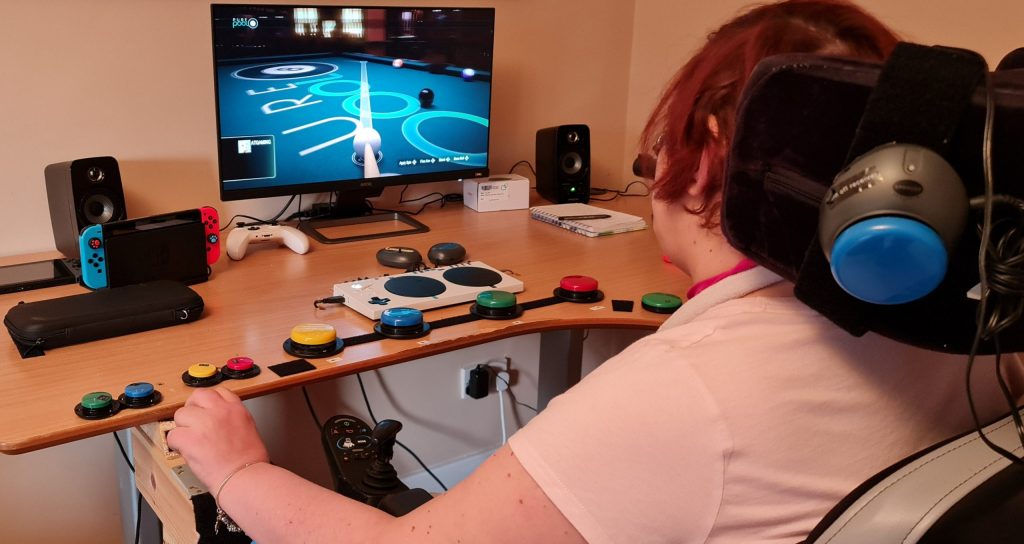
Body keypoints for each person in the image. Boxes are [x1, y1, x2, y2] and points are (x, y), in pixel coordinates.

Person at [168, 1, 1023, 542]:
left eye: (662, 148)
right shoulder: (988, 324)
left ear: (709, 158)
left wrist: (241, 470)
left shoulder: (689, 398)